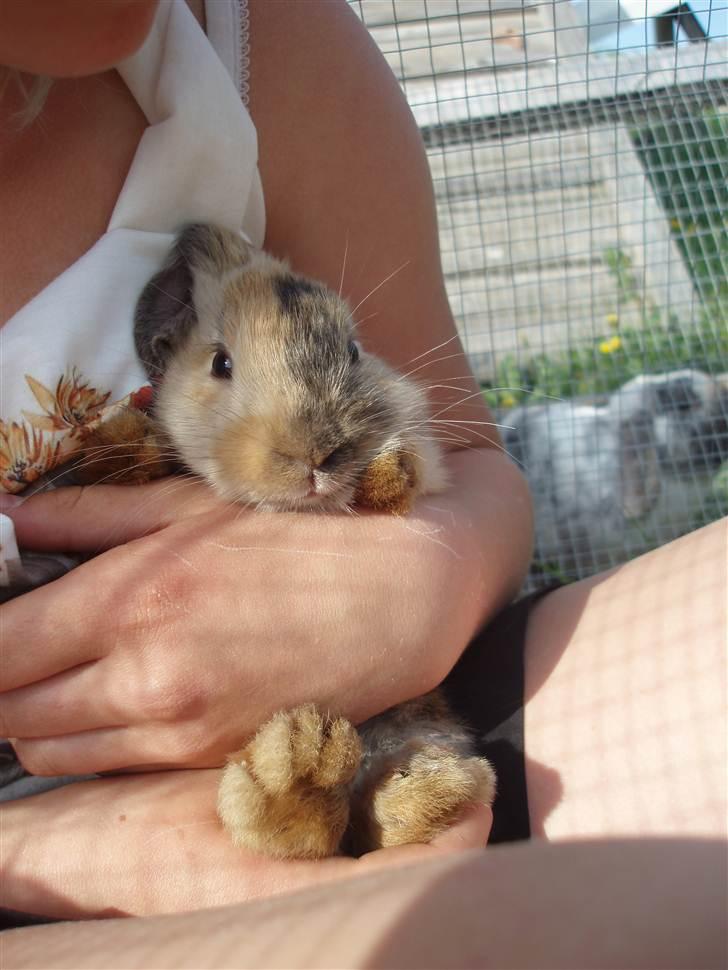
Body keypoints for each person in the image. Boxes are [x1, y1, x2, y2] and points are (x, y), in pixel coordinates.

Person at [0, 1, 725, 965]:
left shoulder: (253, 44)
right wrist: (57, 848)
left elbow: (469, 459)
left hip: (383, 700)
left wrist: (432, 569)